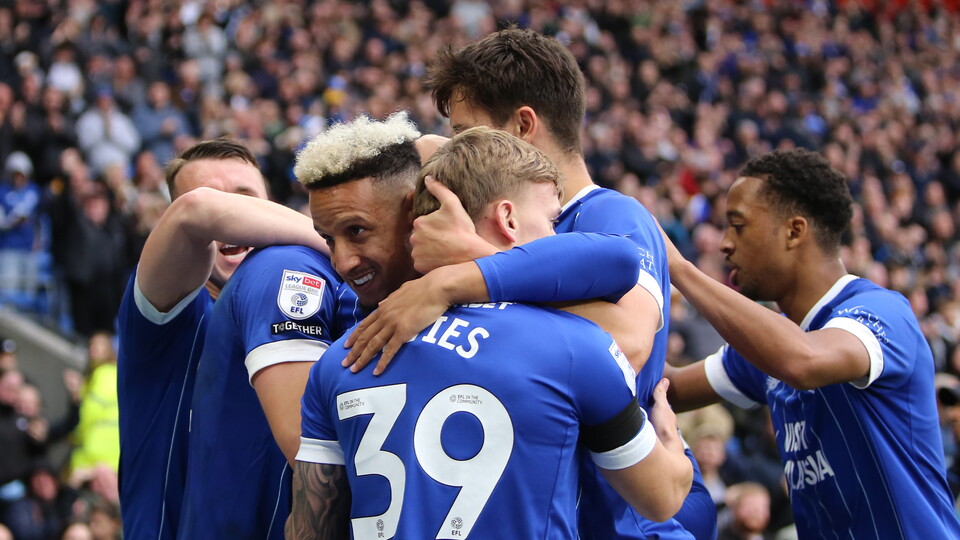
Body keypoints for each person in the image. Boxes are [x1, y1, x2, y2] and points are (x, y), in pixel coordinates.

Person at [343, 27, 714, 539]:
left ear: (522, 125)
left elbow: (626, 343)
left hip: (606, 515)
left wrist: (473, 263)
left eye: (466, 129)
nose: (456, 146)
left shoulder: (611, 213)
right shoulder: (480, 206)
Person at [289, 122, 692, 538]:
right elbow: (662, 497)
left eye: (357, 231)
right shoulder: (574, 345)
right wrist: (672, 444)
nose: (341, 264)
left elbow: (309, 528)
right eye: (552, 221)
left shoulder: (342, 356)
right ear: (508, 218)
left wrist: (450, 278)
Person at [665, 148, 960, 538]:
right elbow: (669, 388)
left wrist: (679, 269)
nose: (724, 243)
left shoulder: (880, 313)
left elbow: (803, 361)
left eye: (738, 225)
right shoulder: (769, 345)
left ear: (794, 230)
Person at [116, 138, 330, 539]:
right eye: (222, 203)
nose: (235, 217)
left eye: (247, 199)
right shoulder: (167, 313)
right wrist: (340, 242)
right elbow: (198, 212)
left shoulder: (310, 299)